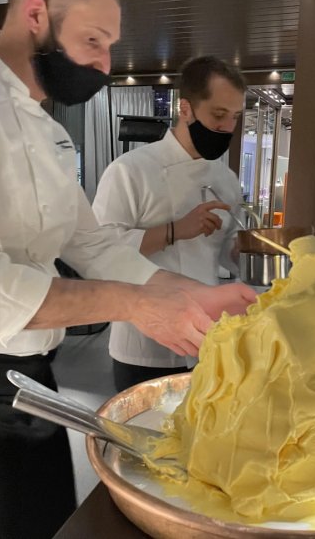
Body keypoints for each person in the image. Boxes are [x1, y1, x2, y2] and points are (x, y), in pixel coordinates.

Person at [0, 0, 255, 539]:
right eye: (94, 41)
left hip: (31, 382)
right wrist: (136, 305)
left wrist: (190, 292)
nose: (106, 64)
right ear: (36, 14)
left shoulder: (51, 135)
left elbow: (95, 244)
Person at [92, 56, 246, 392]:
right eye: (218, 115)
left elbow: (228, 255)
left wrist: (247, 247)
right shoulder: (130, 170)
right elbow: (98, 250)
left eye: (234, 118)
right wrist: (176, 230)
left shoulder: (226, 178)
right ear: (186, 109)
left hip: (207, 339)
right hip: (143, 345)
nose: (226, 128)